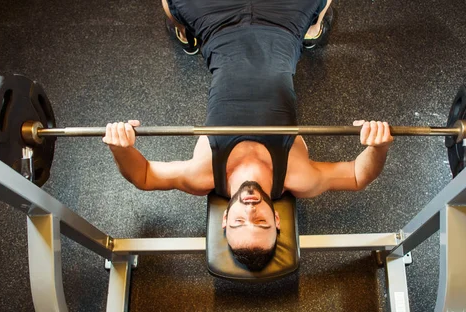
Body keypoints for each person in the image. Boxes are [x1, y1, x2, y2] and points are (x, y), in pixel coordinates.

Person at [103, 0, 393, 270]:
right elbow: (357, 175)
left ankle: (186, 35)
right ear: (277, 219)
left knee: (170, 3)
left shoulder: (203, 175)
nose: (250, 210)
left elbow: (143, 175)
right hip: (282, 30)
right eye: (262, 222)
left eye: (241, 221)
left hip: (218, 31)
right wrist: (378, 146)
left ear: (226, 220)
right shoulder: (298, 176)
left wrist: (121, 147)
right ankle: (313, 30)